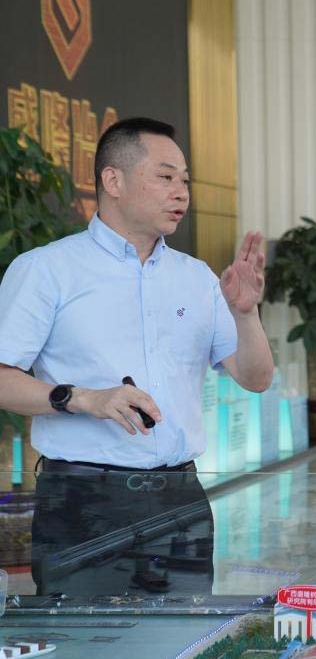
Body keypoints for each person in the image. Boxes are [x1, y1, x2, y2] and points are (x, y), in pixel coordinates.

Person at [0, 116, 274, 596]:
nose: (181, 193)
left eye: (185, 181)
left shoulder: (197, 277)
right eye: (165, 177)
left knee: (184, 639)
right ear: (113, 180)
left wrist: (246, 314)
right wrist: (85, 399)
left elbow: (256, 378)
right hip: (83, 500)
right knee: (87, 637)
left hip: (180, 500)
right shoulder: (47, 270)